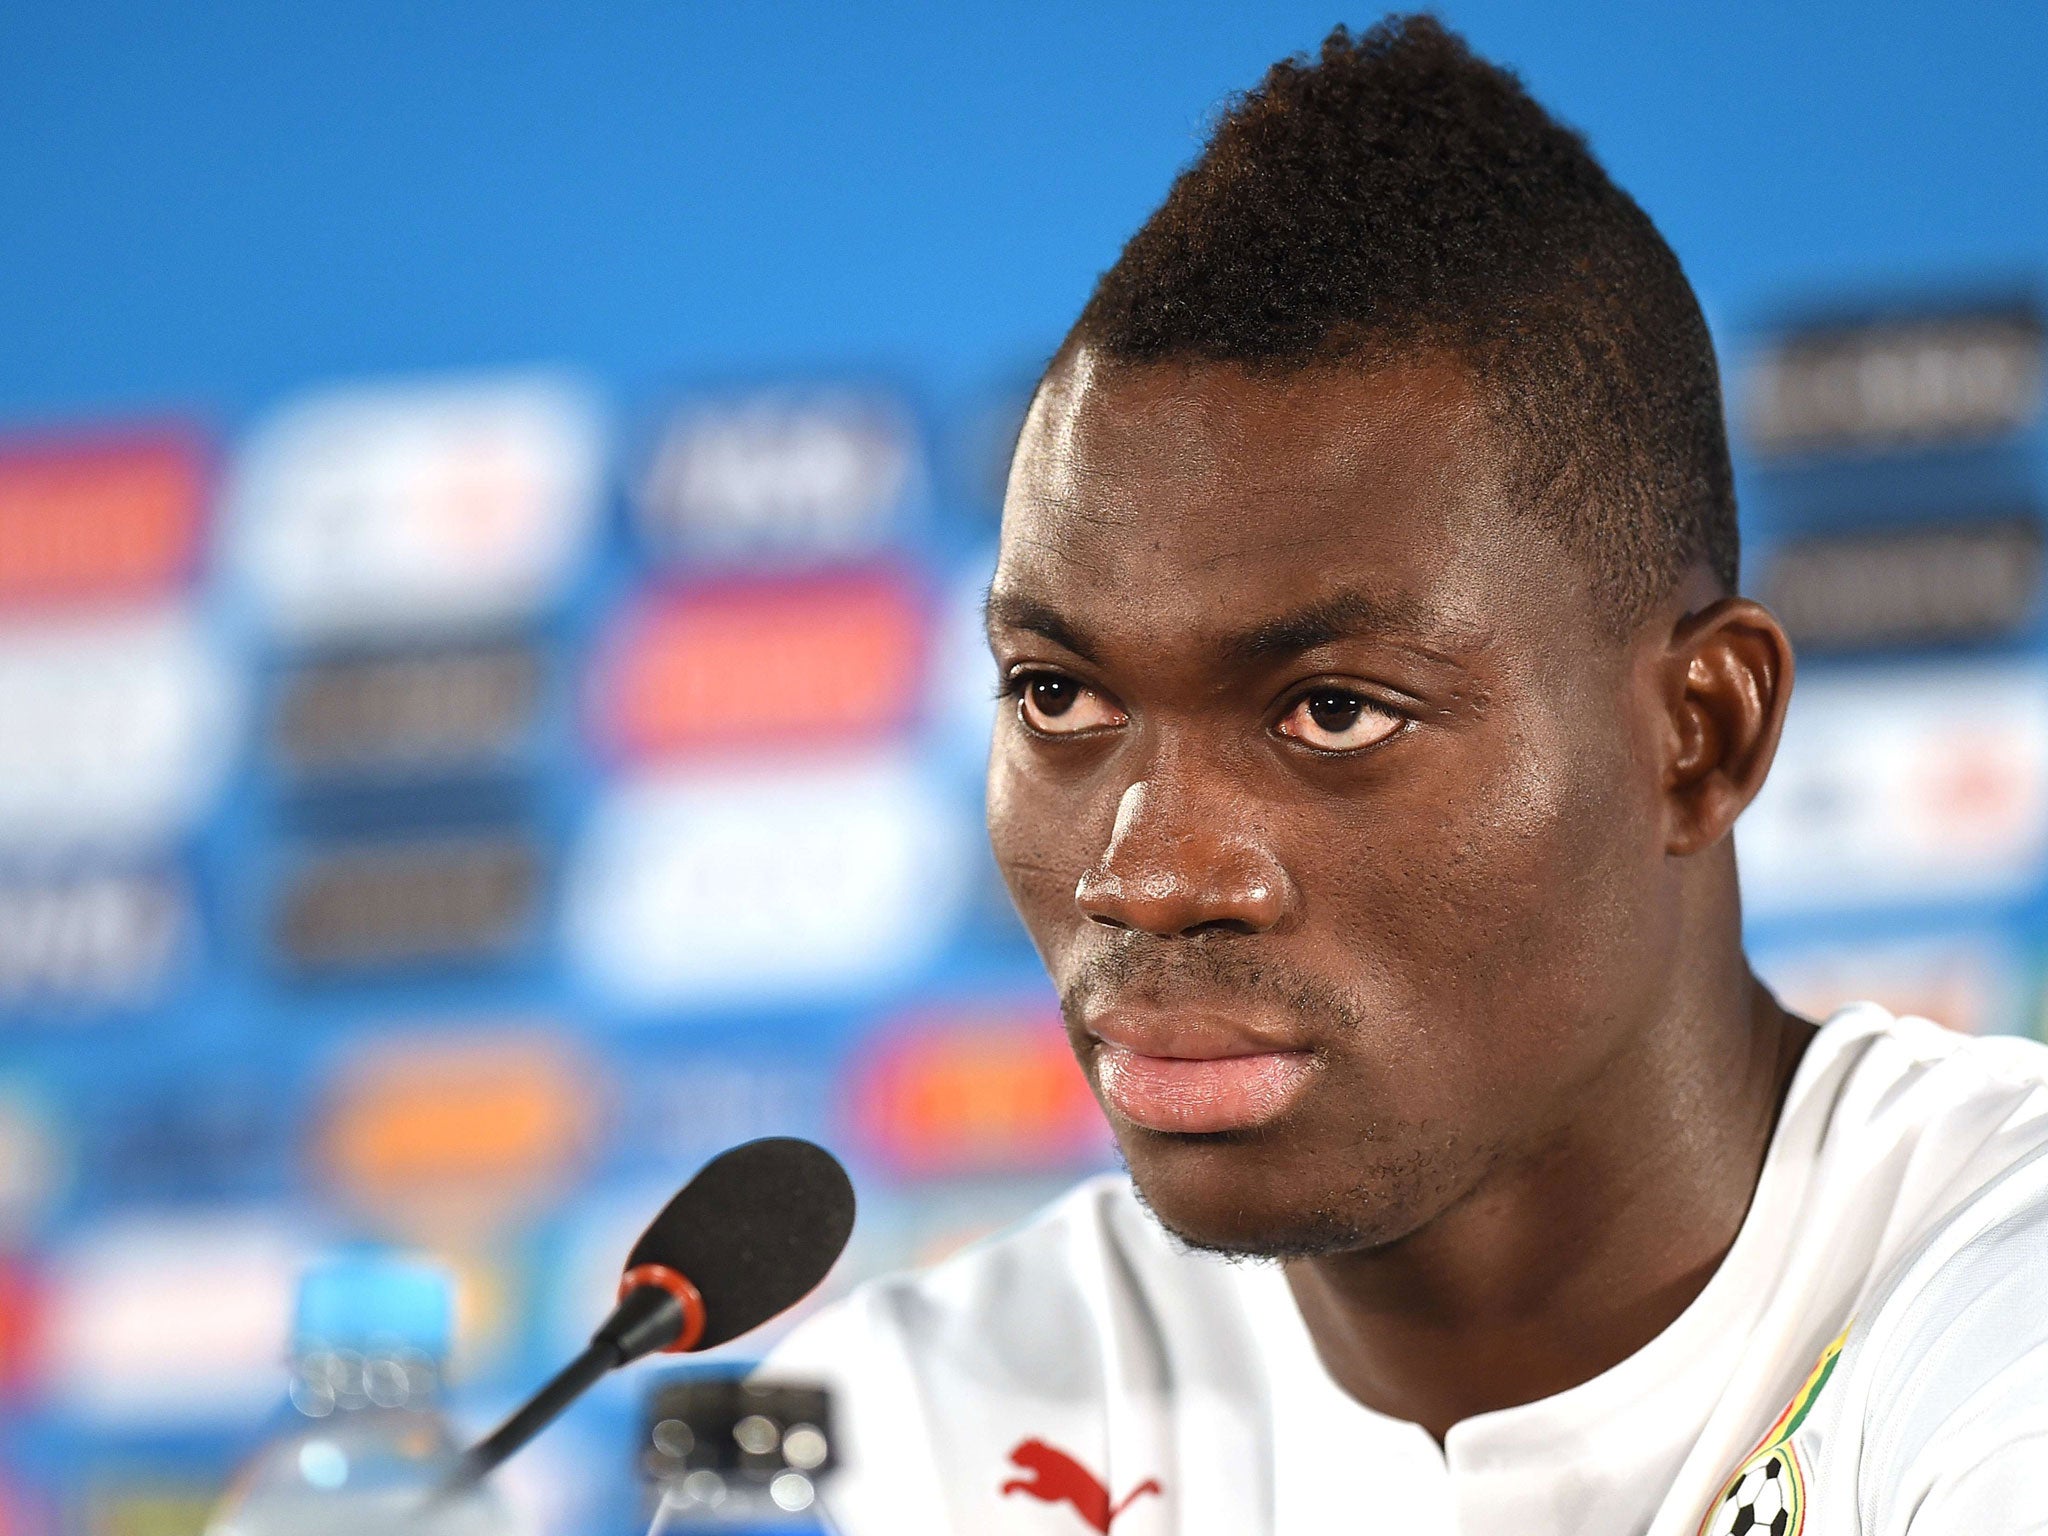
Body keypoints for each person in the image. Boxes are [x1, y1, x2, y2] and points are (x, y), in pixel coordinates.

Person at [761, 15, 2048, 1534]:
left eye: (1333, 714)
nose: (1151, 873)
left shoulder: (1998, 1296)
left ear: (1702, 736)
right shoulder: (887, 1435)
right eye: (1059, 693)